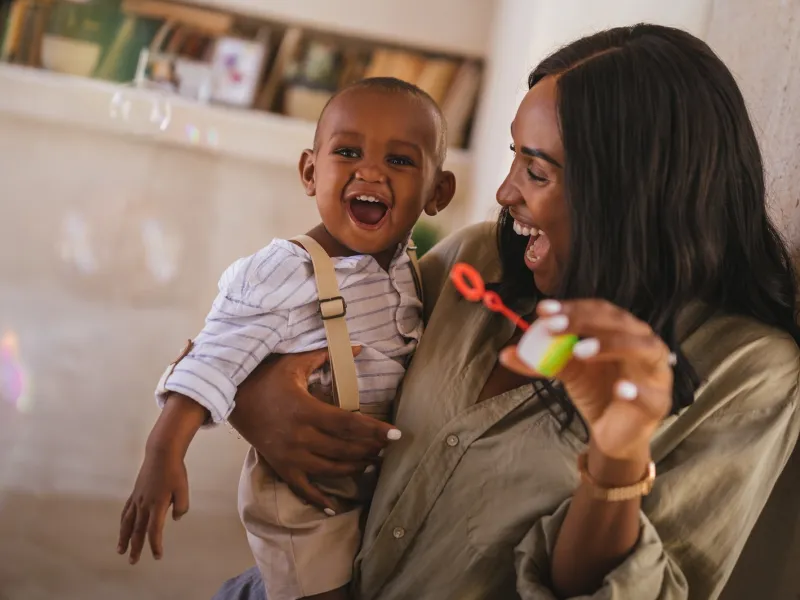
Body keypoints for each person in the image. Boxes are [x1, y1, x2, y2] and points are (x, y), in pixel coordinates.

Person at [205, 24, 800, 600]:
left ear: (635, 193)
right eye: (515, 156)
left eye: (536, 171)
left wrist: (616, 461)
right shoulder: (475, 258)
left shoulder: (748, 371)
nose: (504, 192)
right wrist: (257, 400)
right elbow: (258, 332)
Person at [116, 78, 456, 600]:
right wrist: (163, 450)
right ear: (310, 172)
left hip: (374, 482)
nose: (370, 172)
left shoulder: (408, 269)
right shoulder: (283, 270)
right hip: (305, 494)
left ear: (438, 192)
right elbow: (214, 357)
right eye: (348, 152)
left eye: (400, 160)